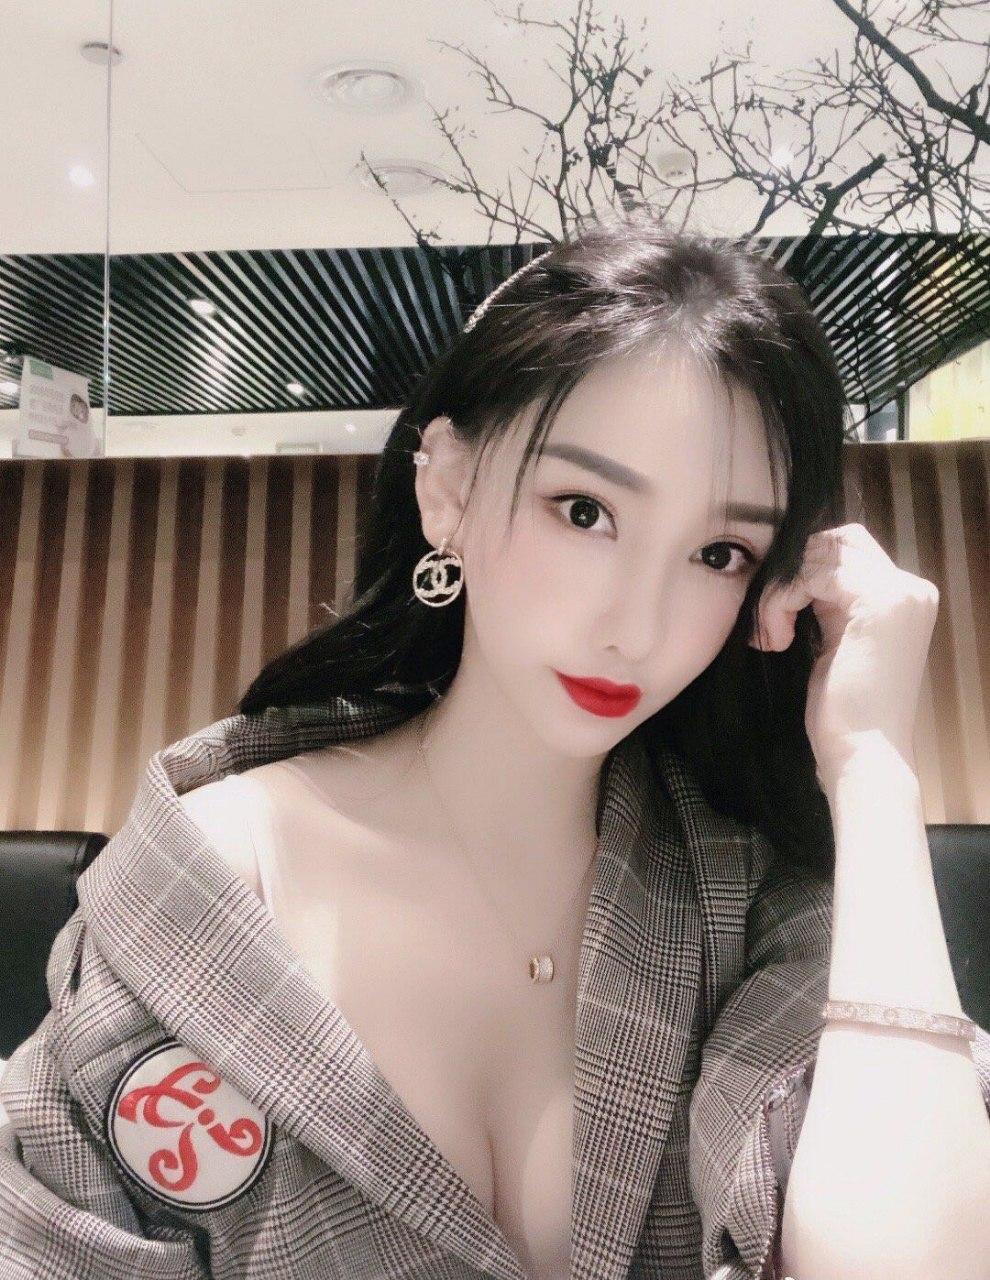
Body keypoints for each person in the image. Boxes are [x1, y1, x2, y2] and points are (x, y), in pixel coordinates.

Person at [1, 208, 987, 1280]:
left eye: (719, 551)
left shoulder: (746, 896)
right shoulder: (210, 889)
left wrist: (873, 765)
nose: (637, 624)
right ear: (448, 489)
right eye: (584, 510)